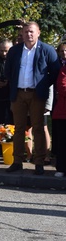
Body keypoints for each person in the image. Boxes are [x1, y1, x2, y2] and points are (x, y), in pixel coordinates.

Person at [3, 21, 60, 175]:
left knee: (38, 128)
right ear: (22, 33)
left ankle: (39, 162)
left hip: (37, 94)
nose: (29, 34)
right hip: (19, 93)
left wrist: (43, 84)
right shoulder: (15, 51)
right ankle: (17, 161)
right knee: (19, 128)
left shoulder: (47, 50)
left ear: (38, 32)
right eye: (26, 31)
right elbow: (7, 71)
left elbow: (55, 72)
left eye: (32, 31)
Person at [51, 42, 66, 178]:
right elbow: (62, 87)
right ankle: (61, 168)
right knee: (62, 142)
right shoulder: (63, 70)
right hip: (63, 113)